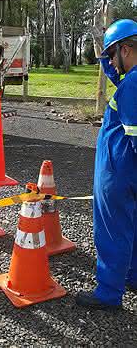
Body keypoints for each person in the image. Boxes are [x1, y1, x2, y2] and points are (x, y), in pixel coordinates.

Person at [76, 19, 137, 310]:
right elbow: (116, 76)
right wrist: (105, 55)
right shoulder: (131, 80)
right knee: (132, 229)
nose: (110, 62)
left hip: (118, 173)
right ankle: (132, 275)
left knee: (112, 232)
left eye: (113, 54)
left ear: (126, 49)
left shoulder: (133, 85)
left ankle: (108, 294)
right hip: (127, 173)